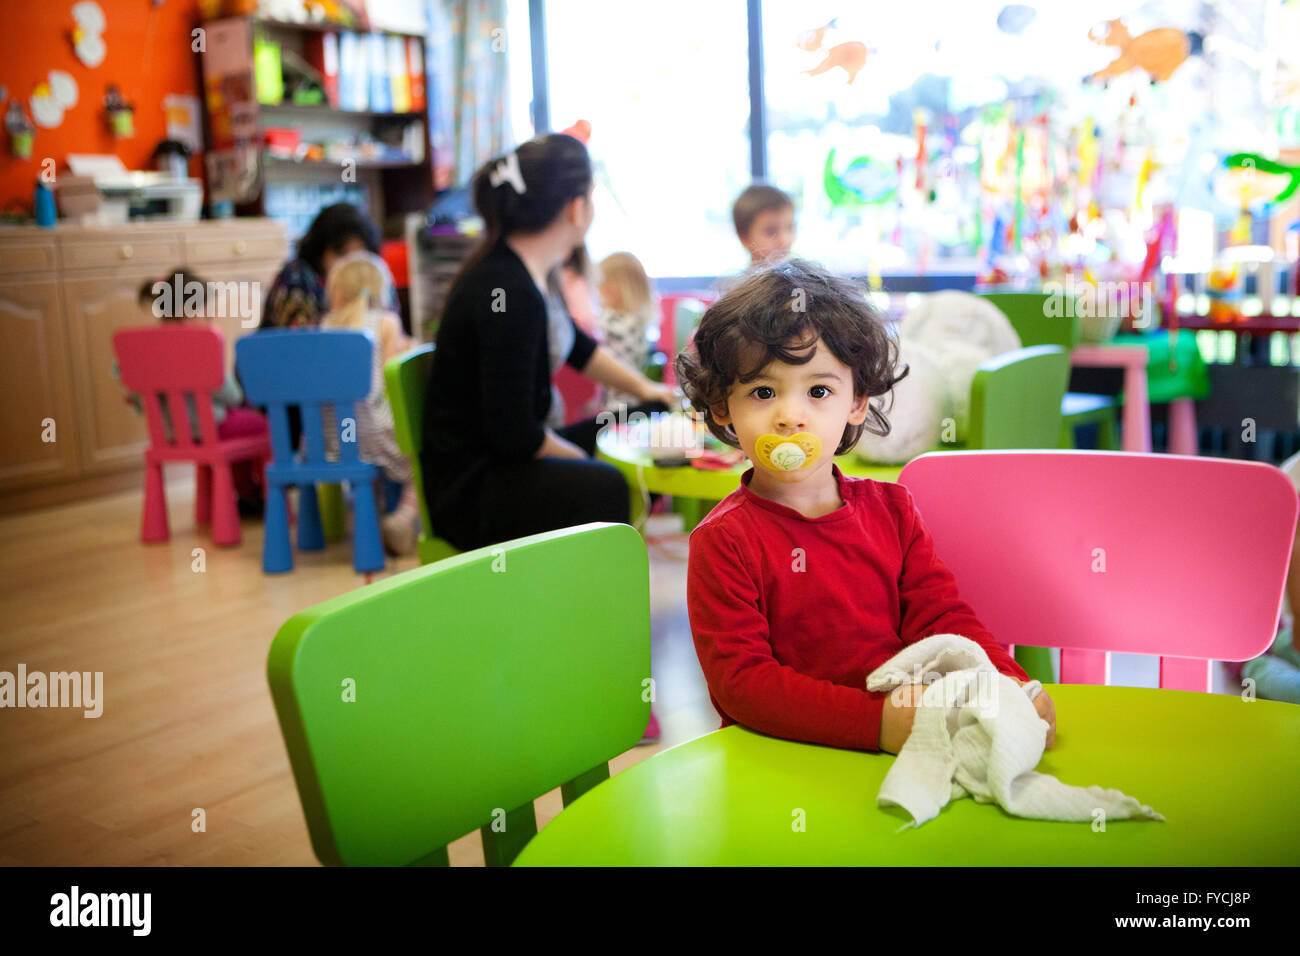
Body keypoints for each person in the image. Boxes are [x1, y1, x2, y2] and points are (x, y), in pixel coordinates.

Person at [675, 258, 1056, 754]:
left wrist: (1007, 682)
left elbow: (941, 618)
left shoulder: (894, 511)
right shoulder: (723, 541)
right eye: (763, 391)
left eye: (818, 391)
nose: (791, 416)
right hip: (777, 760)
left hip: (896, 756)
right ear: (724, 405)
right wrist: (877, 723)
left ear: (856, 401)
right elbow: (744, 686)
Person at [421, 133, 674, 742]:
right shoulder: (507, 293)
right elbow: (515, 437)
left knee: (626, 427)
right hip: (475, 486)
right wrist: (604, 469)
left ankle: (592, 651)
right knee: (607, 490)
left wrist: (648, 395)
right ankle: (608, 680)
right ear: (575, 208)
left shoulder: (532, 273)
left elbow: (581, 351)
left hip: (506, 456)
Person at [127, 270, 268, 516]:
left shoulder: (147, 346)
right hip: (211, 427)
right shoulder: (201, 343)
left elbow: (138, 399)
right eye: (205, 310)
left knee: (241, 426)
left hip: (168, 433)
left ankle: (228, 498)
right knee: (262, 426)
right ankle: (252, 493)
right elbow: (231, 396)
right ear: (190, 310)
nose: (207, 317)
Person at [320, 250, 421, 556]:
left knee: (371, 439)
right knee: (421, 454)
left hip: (327, 438)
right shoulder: (386, 323)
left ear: (336, 292)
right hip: (372, 432)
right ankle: (403, 518)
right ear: (382, 291)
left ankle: (349, 521)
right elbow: (389, 382)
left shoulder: (325, 325)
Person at [261, 202, 386, 330]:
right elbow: (301, 344)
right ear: (319, 251)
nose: (348, 265)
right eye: (341, 254)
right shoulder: (297, 280)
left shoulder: (373, 279)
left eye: (358, 256)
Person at [593, 251, 657, 413]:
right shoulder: (639, 322)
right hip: (635, 399)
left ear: (611, 289)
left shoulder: (611, 323)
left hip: (613, 406)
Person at [732, 184, 797, 268]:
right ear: (743, 237)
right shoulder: (742, 281)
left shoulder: (800, 278)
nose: (784, 240)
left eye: (790, 227)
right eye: (770, 231)